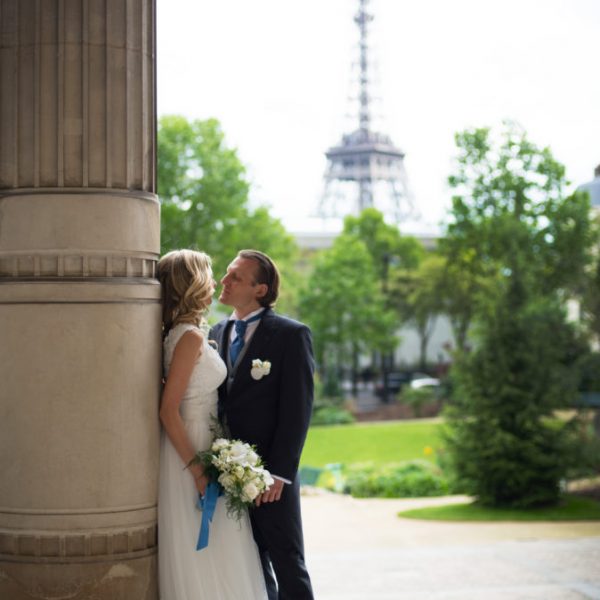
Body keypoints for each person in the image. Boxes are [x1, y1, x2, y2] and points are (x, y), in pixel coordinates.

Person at [157, 249, 268, 600]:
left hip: (204, 442)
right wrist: (198, 471)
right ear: (192, 284)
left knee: (221, 551)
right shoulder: (188, 337)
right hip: (191, 447)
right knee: (206, 551)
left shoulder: (183, 332)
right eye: (208, 275)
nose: (215, 282)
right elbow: (168, 410)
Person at [210, 249, 315, 600]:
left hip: (272, 477)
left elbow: (297, 409)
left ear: (260, 289)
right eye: (227, 274)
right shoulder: (216, 332)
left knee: (287, 562)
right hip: (228, 472)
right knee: (252, 564)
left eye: (235, 277)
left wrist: (280, 474)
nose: (223, 282)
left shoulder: (290, 335)